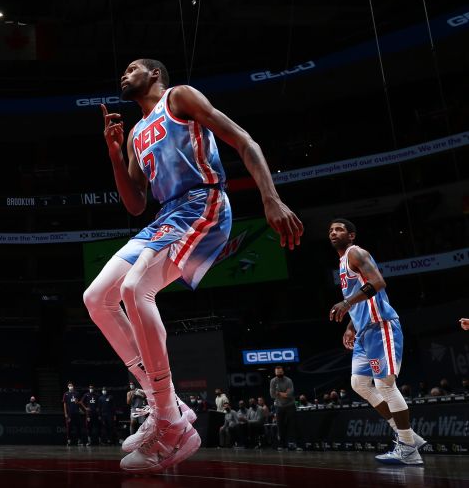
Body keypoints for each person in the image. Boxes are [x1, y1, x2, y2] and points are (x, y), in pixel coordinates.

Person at [85, 59, 303, 473]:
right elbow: (135, 204)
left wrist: (270, 198)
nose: (123, 73)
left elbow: (242, 139)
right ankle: (163, 406)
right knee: (96, 298)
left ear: (154, 74)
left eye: (132, 68)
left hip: (202, 204)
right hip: (164, 216)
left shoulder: (178, 97)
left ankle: (171, 421)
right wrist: (115, 156)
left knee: (135, 289)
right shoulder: (134, 133)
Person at [329, 218, 427, 465]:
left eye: (339, 229)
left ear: (351, 235)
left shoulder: (356, 252)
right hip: (364, 331)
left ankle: (408, 449)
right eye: (330, 230)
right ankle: (409, 436)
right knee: (359, 383)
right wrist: (351, 326)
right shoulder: (342, 262)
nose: (333, 232)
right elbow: (364, 296)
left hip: (380, 326)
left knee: (385, 385)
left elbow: (379, 283)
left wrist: (347, 303)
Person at [268, 365, 296, 449]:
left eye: (280, 372)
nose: (279, 374)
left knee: (292, 425)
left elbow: (289, 394)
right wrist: (284, 393)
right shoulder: (273, 381)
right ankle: (283, 445)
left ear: (283, 372)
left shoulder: (288, 380)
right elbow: (272, 395)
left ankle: (295, 443)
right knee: (280, 426)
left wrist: (279, 393)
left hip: (290, 405)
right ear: (275, 373)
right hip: (279, 406)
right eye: (277, 373)